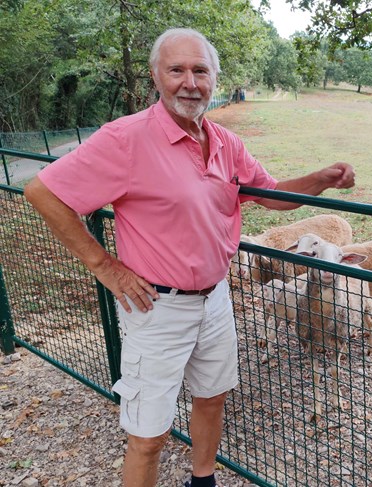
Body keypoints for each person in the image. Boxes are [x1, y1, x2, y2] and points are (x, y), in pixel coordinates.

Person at [24, 28, 354, 487]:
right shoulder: (126, 139)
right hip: (156, 307)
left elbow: (271, 196)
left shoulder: (224, 142)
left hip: (215, 299)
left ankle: (203, 481)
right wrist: (106, 267)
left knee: (213, 397)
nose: (189, 82)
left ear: (215, 78)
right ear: (156, 77)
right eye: (176, 69)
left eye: (200, 70)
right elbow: (42, 191)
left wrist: (319, 179)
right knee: (149, 434)